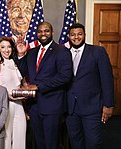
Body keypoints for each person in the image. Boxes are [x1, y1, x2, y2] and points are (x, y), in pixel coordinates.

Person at [17, 21, 73, 149]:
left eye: (46, 31)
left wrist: (39, 86)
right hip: (35, 106)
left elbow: (65, 77)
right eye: (40, 31)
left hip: (52, 105)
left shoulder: (62, 51)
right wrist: (21, 54)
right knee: (39, 141)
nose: (43, 34)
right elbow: (24, 71)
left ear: (52, 33)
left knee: (52, 143)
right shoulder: (31, 52)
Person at [66, 23, 114, 149]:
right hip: (70, 108)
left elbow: (107, 79)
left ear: (85, 35)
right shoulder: (64, 53)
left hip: (92, 107)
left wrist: (108, 105)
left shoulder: (98, 52)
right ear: (68, 36)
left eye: (79, 34)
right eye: (73, 34)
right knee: (75, 141)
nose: (76, 37)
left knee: (93, 142)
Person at [0, 36, 27, 149]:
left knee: (20, 135)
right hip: (5, 104)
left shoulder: (15, 63)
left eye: (8, 47)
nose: (6, 50)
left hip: (19, 104)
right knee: (6, 137)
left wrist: (26, 93)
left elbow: (23, 84)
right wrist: (8, 96)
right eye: (3, 47)